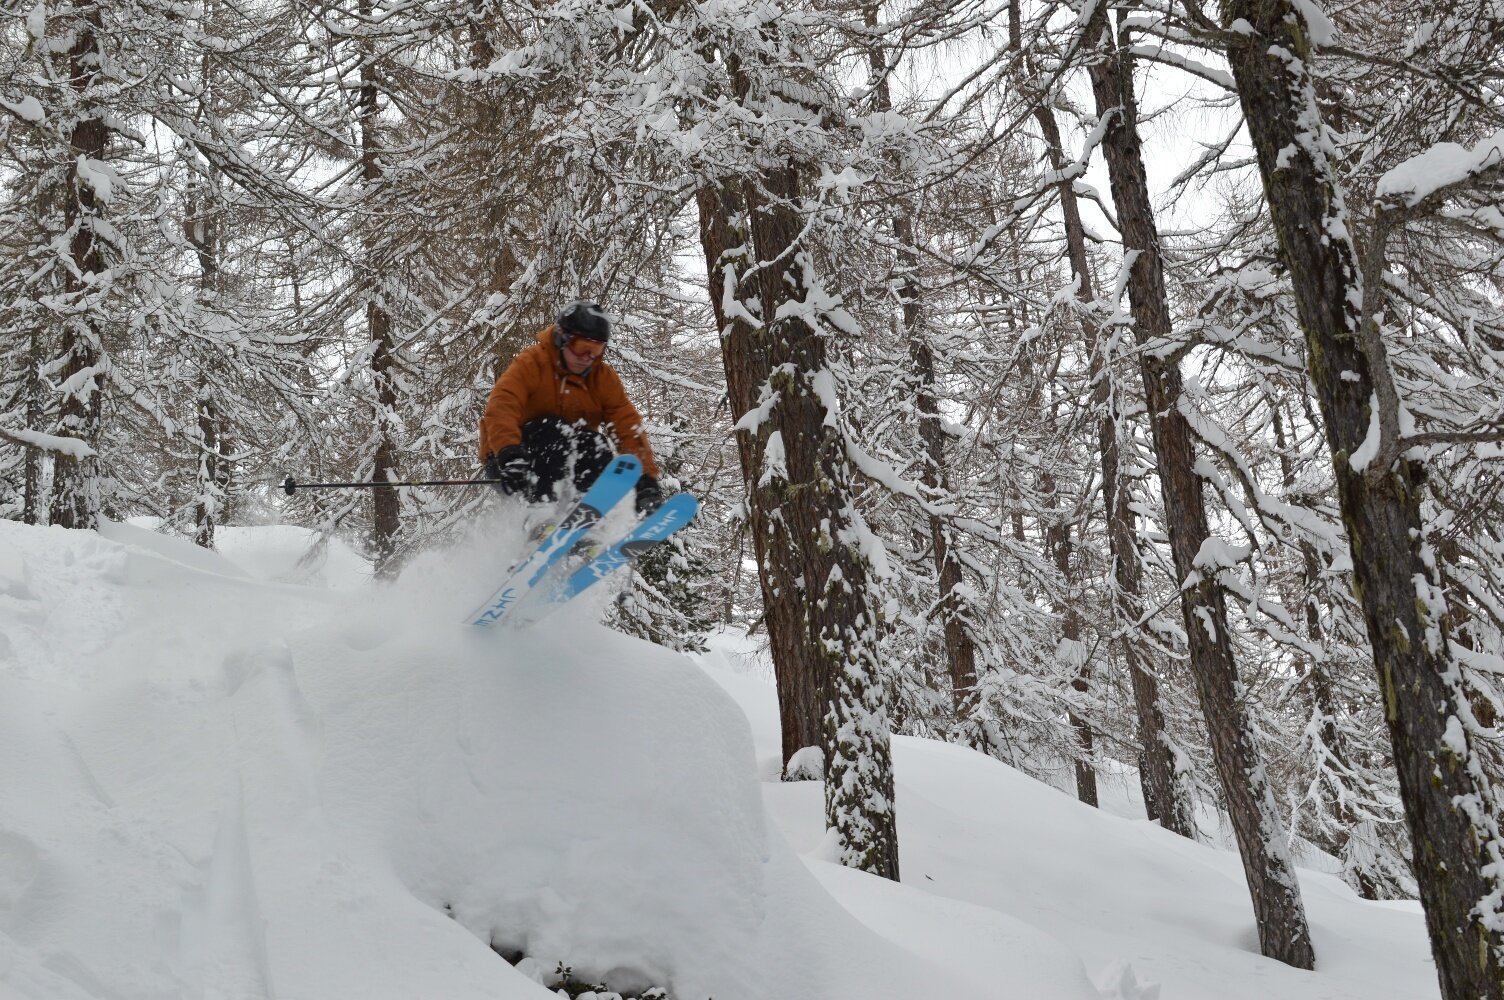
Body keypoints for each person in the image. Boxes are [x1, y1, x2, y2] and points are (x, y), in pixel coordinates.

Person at [479, 301, 663, 514]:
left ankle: (583, 517)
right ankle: (541, 513)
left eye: (595, 349)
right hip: (510, 460)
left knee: (596, 444)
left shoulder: (602, 378)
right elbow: (502, 405)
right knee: (553, 428)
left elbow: (627, 425)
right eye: (581, 347)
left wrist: (645, 478)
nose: (587, 357)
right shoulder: (532, 363)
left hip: (566, 458)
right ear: (562, 338)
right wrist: (510, 453)